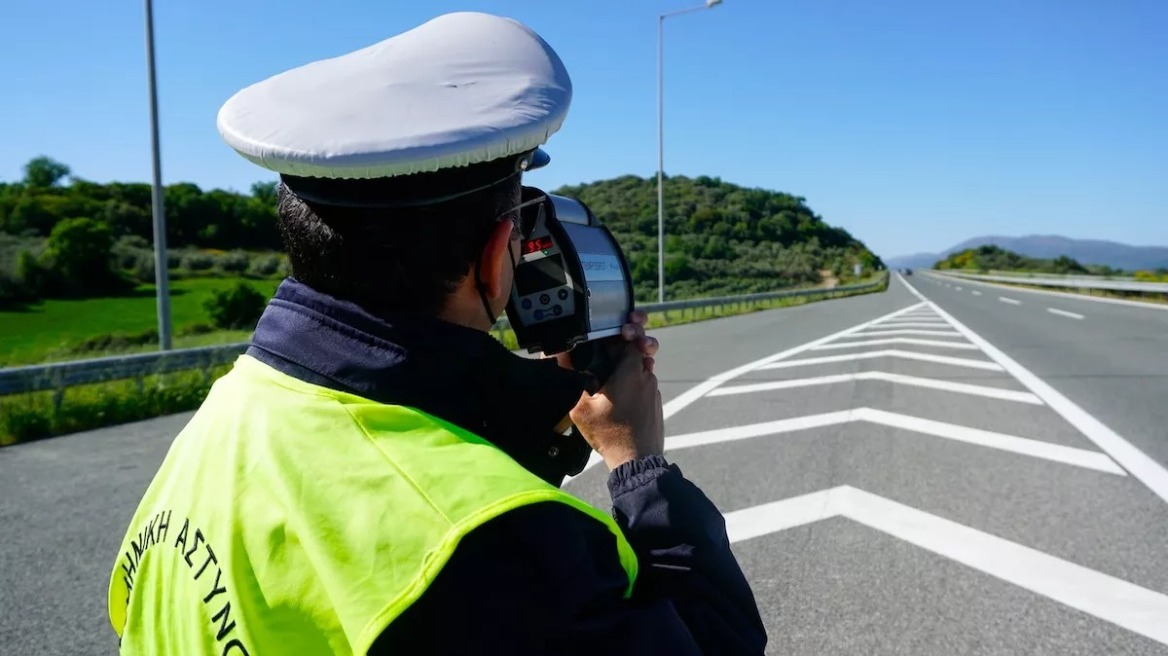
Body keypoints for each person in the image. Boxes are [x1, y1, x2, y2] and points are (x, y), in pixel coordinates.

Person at [107, 11, 766, 655]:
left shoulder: (222, 420)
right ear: (495, 257)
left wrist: (538, 424)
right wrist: (638, 467)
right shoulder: (495, 542)